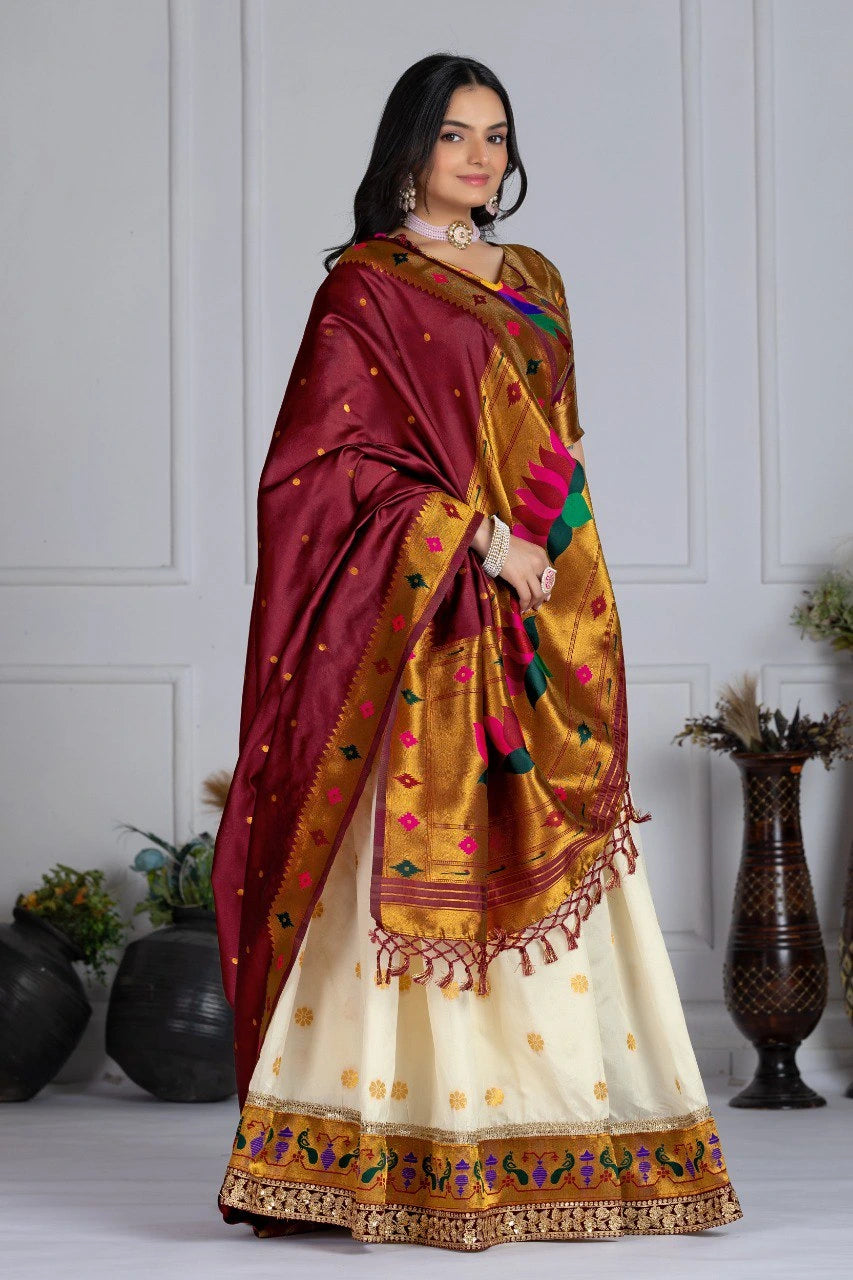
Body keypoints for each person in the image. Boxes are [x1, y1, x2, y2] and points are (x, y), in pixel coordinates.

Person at [211, 52, 744, 1251]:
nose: (478, 157)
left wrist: (552, 572)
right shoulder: (363, 289)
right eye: (455, 134)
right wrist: (477, 540)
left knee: (544, 856)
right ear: (409, 147)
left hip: (533, 610)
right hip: (423, 622)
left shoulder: (536, 279)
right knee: (413, 864)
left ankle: (565, 1135)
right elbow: (323, 473)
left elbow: (557, 449)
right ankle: (376, 1152)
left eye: (495, 136)